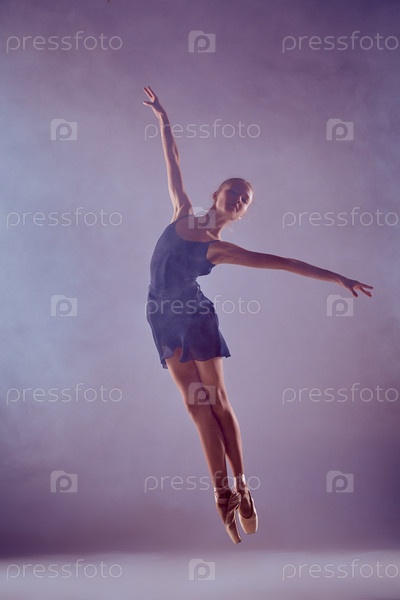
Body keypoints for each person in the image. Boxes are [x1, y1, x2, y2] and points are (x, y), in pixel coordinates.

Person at [143, 85, 373, 544]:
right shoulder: (182, 211)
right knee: (195, 407)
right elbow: (173, 159)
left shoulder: (222, 249)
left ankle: (243, 486)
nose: (238, 199)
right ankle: (221, 493)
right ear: (217, 193)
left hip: (196, 318)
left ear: (242, 212)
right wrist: (163, 118)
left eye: (245, 199)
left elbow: (284, 262)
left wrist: (338, 278)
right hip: (160, 317)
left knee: (217, 402)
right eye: (235, 191)